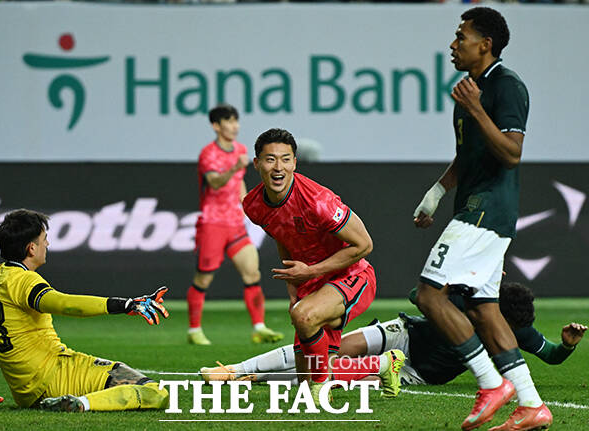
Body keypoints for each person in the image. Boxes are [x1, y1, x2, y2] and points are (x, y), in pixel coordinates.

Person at [411, 8, 551, 430]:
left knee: (430, 295)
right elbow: (468, 156)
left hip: (488, 208)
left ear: (485, 44)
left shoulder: (507, 86)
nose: (453, 45)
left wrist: (476, 109)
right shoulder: (471, 93)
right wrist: (436, 194)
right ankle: (531, 405)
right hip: (476, 205)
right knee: (483, 308)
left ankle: (491, 383)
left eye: (462, 37)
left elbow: (511, 153)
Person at [242, 128, 404, 403]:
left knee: (305, 317)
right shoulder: (254, 206)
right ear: (257, 164)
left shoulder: (318, 202)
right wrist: (294, 285)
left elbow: (364, 244)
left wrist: (310, 271)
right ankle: (381, 364)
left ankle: (322, 388)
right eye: (270, 159)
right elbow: (282, 235)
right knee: (303, 382)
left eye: (285, 159)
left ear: (295, 163)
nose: (278, 167)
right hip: (313, 282)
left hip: (352, 276)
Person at [0, 209, 171, 412]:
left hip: (26, 394)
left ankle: (72, 402)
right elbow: (64, 303)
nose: (47, 244)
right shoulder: (25, 281)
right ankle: (80, 403)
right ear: (31, 248)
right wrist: (125, 304)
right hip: (57, 376)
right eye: (44, 239)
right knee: (157, 392)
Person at [200, 283, 586, 388]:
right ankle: (235, 369)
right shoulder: (470, 299)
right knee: (329, 348)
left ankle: (257, 378)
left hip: (415, 371)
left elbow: (550, 354)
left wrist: (566, 346)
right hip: (404, 334)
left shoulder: (517, 329)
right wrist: (450, 287)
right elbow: (417, 295)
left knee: (332, 376)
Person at [187, 103, 283, 346]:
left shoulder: (240, 149)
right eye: (229, 121)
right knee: (203, 280)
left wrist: (248, 206)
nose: (235, 126)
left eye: (236, 121)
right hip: (213, 224)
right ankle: (194, 330)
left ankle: (259, 327)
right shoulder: (208, 154)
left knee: (252, 272)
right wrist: (234, 167)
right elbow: (215, 183)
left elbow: (239, 183)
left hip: (235, 224)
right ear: (216, 126)